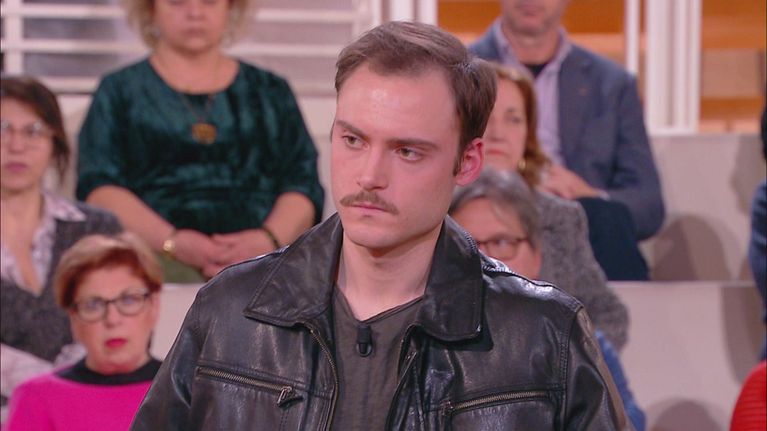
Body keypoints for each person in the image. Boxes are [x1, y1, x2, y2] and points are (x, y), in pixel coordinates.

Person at [131, 21, 628, 430]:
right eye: (353, 140)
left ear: (467, 161)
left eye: (407, 151)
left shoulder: (544, 336)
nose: (369, 176)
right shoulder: (231, 312)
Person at [76, 0, 324, 282]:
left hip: (267, 265)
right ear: (150, 8)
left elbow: (302, 183)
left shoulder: (270, 91)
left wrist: (266, 241)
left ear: (231, 7)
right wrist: (173, 242)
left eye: (209, 1)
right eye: (177, 2)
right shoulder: (119, 91)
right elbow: (99, 188)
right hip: (149, 265)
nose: (195, 13)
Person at [470, 0, 664, 278]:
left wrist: (587, 195)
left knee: (605, 218)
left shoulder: (613, 85)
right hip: (479, 212)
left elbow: (648, 207)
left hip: (585, 233)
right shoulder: (455, 72)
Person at [450, 169, 646, 430]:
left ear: (536, 255)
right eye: (468, 245)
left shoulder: (578, 342)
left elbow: (626, 421)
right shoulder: (418, 343)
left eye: (502, 242)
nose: (484, 260)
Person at [477, 63, 629, 349]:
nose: (498, 133)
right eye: (486, 118)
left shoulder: (562, 218)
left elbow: (609, 315)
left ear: (528, 134)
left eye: (513, 119)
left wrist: (567, 362)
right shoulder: (433, 214)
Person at [0, 77, 123, 409]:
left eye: (33, 131)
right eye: (3, 129)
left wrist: (69, 394)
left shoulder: (97, 229)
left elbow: (121, 324)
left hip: (87, 407)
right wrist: (50, 388)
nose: (16, 145)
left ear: (55, 143)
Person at [4, 233, 163, 430]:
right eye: (93, 304)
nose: (112, 319)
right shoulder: (36, 398)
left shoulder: (190, 391)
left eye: (128, 300)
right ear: (73, 317)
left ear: (154, 306)